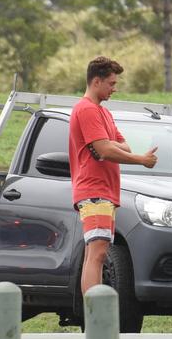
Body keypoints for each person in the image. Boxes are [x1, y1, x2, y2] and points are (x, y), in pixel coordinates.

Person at [68, 56, 158, 296]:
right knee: (97, 251)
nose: (114, 88)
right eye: (111, 83)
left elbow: (122, 145)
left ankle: (94, 308)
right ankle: (94, 310)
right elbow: (106, 150)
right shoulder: (86, 109)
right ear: (96, 81)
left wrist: (108, 145)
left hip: (106, 191)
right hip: (94, 190)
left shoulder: (103, 113)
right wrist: (141, 160)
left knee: (97, 251)